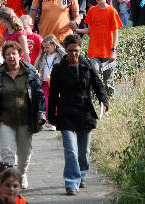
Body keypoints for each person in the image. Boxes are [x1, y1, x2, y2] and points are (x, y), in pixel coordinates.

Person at [0, 42, 46, 190]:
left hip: (25, 121)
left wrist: (41, 114)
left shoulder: (30, 74)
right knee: (7, 154)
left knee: (24, 155)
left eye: (13, 53)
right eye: (8, 54)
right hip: (6, 121)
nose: (11, 57)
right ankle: (12, 183)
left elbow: (39, 95)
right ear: (4, 57)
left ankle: (21, 174)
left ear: (20, 55)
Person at [48, 34, 109, 196]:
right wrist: (51, 115)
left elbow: (98, 85)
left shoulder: (87, 65)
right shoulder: (58, 69)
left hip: (85, 113)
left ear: (80, 49)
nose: (73, 54)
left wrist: (104, 101)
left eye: (76, 50)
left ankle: (81, 174)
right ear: (65, 51)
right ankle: (71, 182)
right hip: (66, 113)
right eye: (69, 51)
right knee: (71, 150)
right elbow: (53, 93)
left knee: (84, 152)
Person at [33, 34, 65, 123]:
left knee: (56, 100)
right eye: (43, 47)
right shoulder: (43, 56)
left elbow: (66, 56)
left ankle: (56, 118)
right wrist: (36, 73)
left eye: (47, 47)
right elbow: (36, 66)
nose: (45, 49)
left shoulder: (59, 55)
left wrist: (59, 49)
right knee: (45, 101)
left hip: (56, 81)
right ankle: (48, 118)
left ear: (54, 45)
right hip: (44, 81)